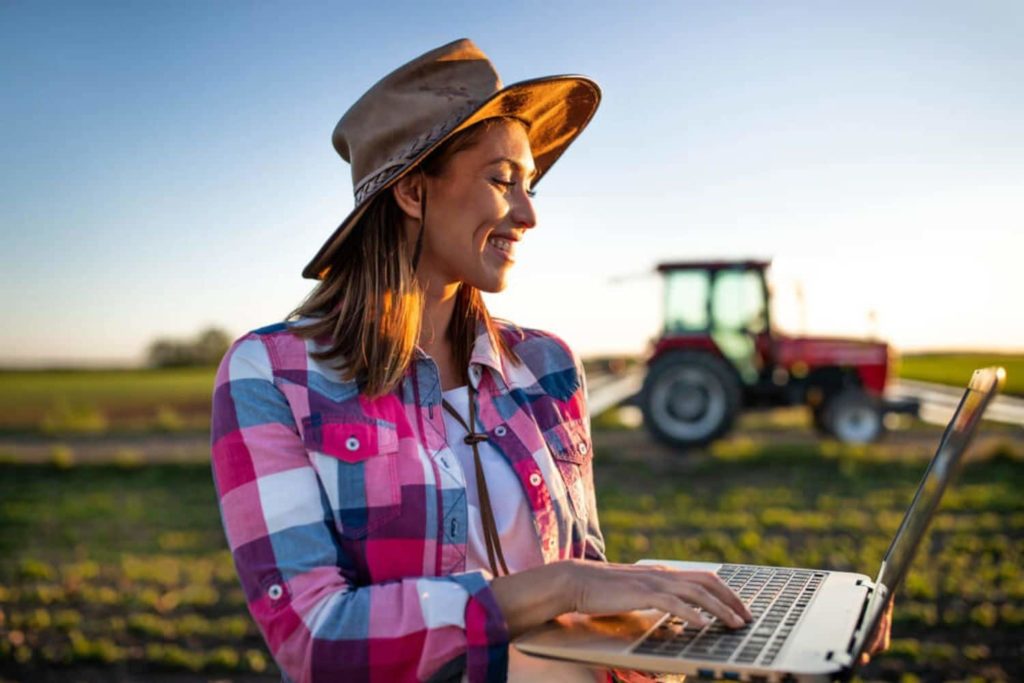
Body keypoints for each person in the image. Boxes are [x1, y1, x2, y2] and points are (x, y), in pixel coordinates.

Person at [211, 38, 888, 683]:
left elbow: (589, 593)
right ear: (413, 192)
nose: (528, 213)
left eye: (530, 183)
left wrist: (757, 631)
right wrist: (556, 586)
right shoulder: (274, 375)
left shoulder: (547, 365)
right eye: (503, 179)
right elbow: (316, 640)